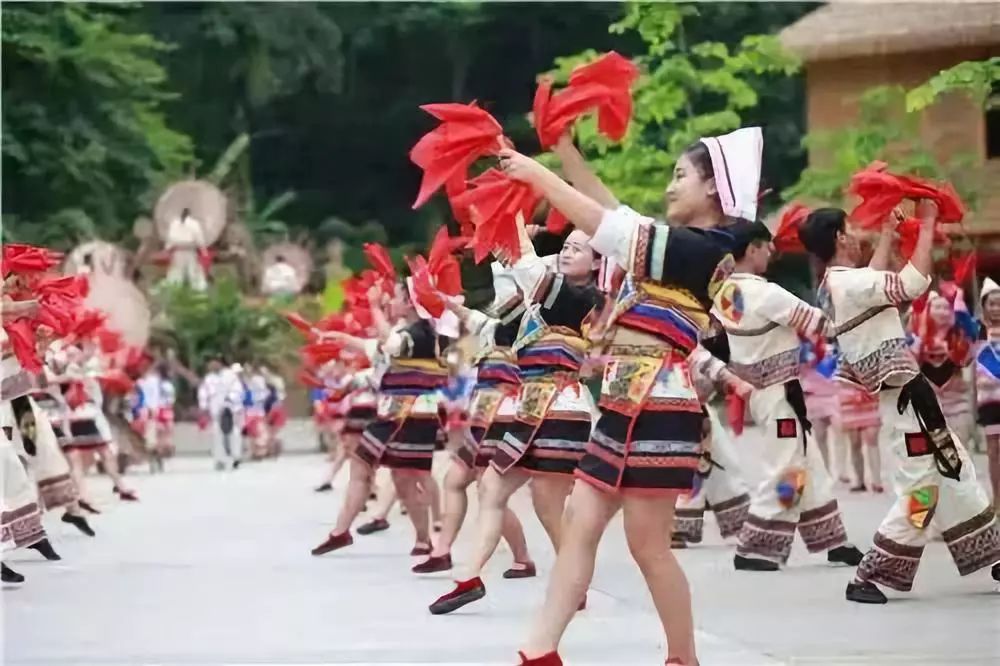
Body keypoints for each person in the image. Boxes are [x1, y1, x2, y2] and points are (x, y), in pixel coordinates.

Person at [502, 128, 762, 666]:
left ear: (714, 188)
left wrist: (537, 174)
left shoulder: (700, 249)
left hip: (661, 406)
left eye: (680, 175)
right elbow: (611, 212)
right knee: (579, 526)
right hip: (624, 401)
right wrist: (567, 151)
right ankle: (539, 651)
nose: (670, 187)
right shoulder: (678, 245)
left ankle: (683, 657)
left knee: (648, 548)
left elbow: (605, 224)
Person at [799, 203, 1000, 604]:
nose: (857, 234)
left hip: (910, 395)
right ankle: (869, 574)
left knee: (955, 469)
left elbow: (873, 278)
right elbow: (911, 284)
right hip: (905, 401)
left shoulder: (839, 283)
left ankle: (993, 553)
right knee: (922, 489)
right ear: (839, 238)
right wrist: (927, 224)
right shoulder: (846, 285)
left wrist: (890, 233)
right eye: (851, 228)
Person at [428, 217, 602, 614]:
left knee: (546, 505)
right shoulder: (543, 303)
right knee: (490, 487)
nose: (569, 250)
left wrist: (514, 217)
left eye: (580, 247)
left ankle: (573, 580)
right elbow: (496, 315)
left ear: (597, 263)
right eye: (568, 245)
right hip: (533, 409)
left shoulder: (581, 296)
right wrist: (501, 237)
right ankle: (469, 577)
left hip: (560, 409)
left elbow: (527, 265)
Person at [710, 221, 863, 571]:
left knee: (810, 464)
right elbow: (822, 324)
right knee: (787, 469)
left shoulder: (722, 294)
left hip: (761, 391)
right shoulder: (766, 294)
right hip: (778, 392)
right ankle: (754, 547)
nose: (771, 253)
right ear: (751, 249)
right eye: (766, 247)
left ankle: (833, 541)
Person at [672, 346, 752, 548]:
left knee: (722, 464)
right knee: (685, 470)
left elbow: (703, 359)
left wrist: (731, 379)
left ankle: (738, 522)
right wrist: (733, 380)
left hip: (695, 407)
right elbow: (701, 359)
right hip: (674, 409)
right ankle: (675, 527)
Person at [976, 277, 1000, 511]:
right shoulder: (978, 331)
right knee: (993, 451)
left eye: (999, 303)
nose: (996, 308)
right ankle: (997, 500)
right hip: (988, 401)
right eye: (991, 303)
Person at [198, 359, 246, 470]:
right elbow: (203, 393)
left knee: (234, 432)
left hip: (231, 410)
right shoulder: (208, 378)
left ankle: (236, 456)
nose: (212, 366)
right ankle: (220, 459)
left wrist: (230, 400)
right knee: (216, 434)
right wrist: (203, 407)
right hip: (215, 411)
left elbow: (238, 391)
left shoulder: (230, 376)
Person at [165, 208, 208, 291]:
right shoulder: (194, 223)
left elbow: (170, 239)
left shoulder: (174, 223)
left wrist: (167, 248)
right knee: (193, 270)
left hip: (179, 251)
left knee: (177, 271)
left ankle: (175, 287)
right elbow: (200, 238)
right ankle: (197, 288)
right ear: (190, 214)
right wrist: (204, 251)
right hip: (190, 250)